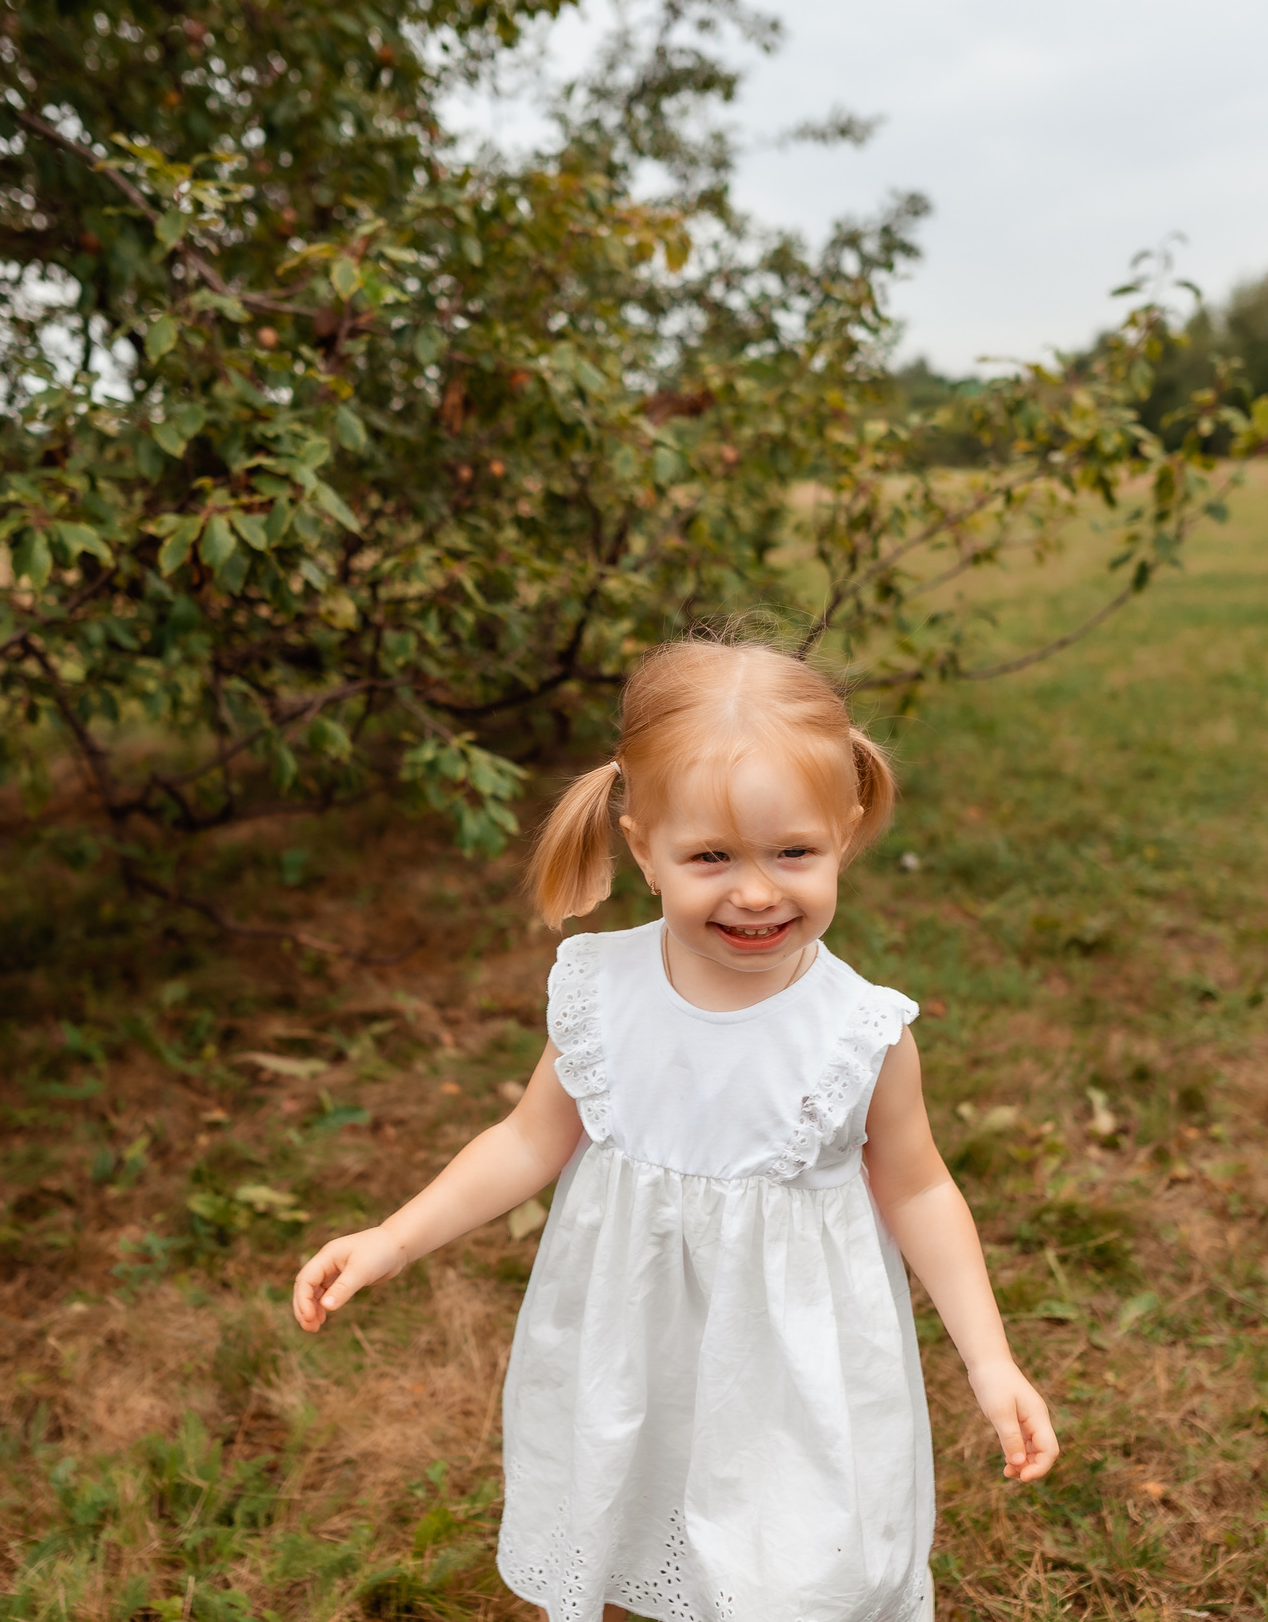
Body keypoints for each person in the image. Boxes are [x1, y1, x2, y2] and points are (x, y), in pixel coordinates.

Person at [292, 636, 1060, 1622]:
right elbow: (528, 1140)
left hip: (791, 1364)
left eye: (794, 852)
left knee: (790, 1572)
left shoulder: (857, 1035)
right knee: (638, 1515)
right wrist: (392, 1237)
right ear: (641, 846)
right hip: (633, 1341)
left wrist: (990, 1362)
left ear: (846, 831)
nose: (754, 891)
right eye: (710, 857)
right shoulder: (600, 993)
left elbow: (916, 1190)